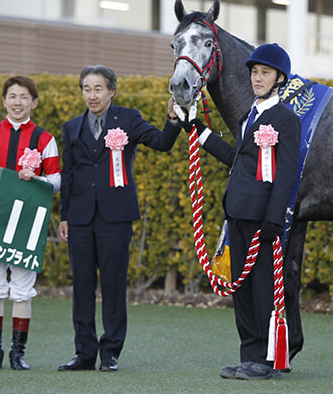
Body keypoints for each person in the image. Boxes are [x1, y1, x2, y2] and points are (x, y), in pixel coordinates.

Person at [181, 43, 301, 380]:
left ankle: (265, 360)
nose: (257, 78)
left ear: (280, 78)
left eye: (265, 73)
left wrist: (274, 220)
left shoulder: (286, 119)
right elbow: (238, 158)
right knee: (242, 289)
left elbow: (288, 173)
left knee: (263, 288)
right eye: (254, 72)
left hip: (263, 219)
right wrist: (196, 128)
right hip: (236, 212)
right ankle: (248, 354)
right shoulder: (250, 114)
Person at [57, 65, 181, 372]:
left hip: (116, 217)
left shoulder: (128, 119)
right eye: (86, 89)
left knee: (113, 285)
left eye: (98, 89)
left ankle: (110, 352)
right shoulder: (71, 127)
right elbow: (69, 175)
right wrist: (65, 217)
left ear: (112, 91)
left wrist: (173, 120)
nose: (92, 95)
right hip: (81, 218)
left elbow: (161, 142)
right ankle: (84, 353)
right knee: (82, 287)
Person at [0, 75, 62, 370]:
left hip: (27, 222)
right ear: (4, 101)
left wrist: (38, 178)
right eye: (12, 96)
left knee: (22, 288)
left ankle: (18, 354)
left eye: (23, 97)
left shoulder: (45, 139)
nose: (17, 102)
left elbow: (57, 181)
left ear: (34, 102)